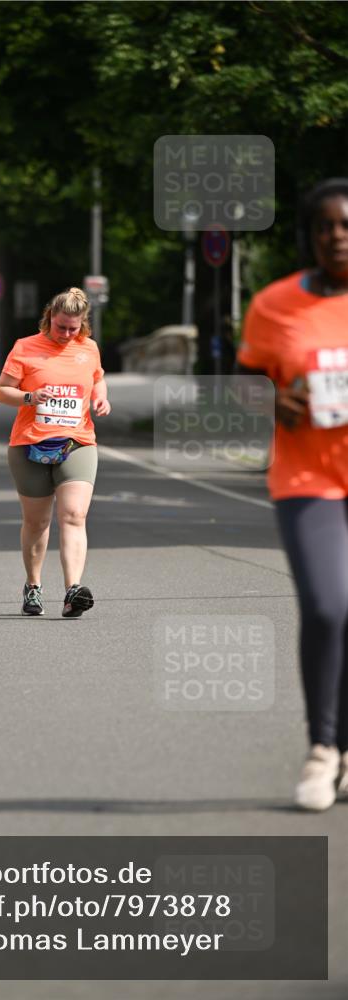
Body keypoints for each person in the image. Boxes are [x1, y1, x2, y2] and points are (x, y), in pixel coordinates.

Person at [236, 178, 348, 810]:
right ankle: (322, 750)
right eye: (326, 226)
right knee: (329, 606)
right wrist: (272, 401)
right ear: (310, 236)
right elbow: (243, 384)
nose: (338, 236)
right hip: (310, 479)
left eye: (347, 225)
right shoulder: (277, 305)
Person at [0, 287, 111, 618]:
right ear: (50, 318)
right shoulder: (26, 347)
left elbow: (98, 380)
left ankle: (73, 589)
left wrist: (101, 397)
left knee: (74, 515)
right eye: (61, 327)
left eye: (73, 328)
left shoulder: (88, 349)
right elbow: (2, 392)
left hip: (77, 441)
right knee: (37, 521)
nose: (66, 334)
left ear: (83, 325)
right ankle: (33, 585)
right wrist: (30, 398)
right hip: (30, 442)